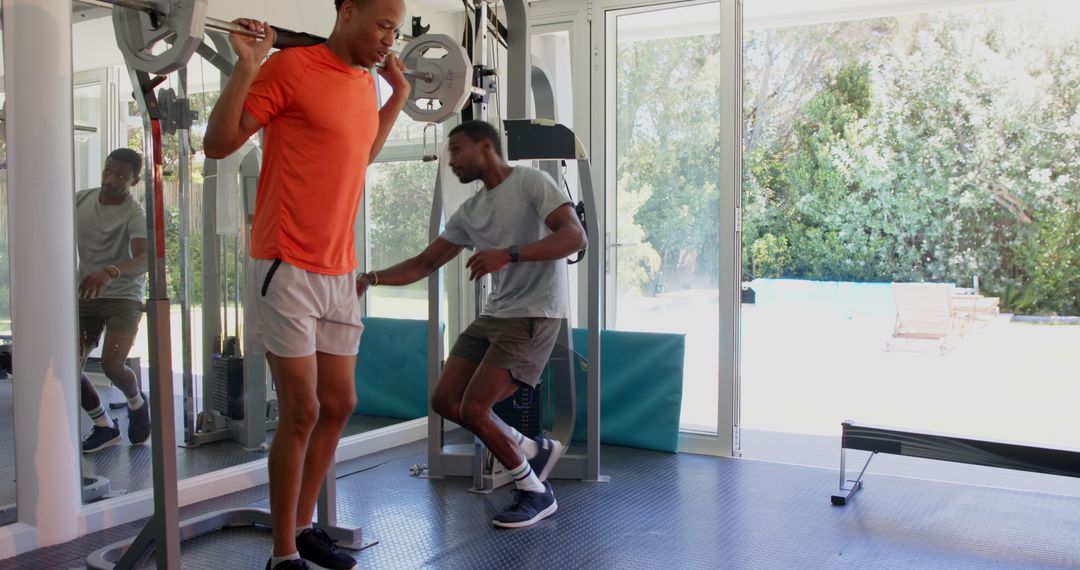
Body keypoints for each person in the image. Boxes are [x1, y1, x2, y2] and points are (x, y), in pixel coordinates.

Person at [203, 1, 410, 568]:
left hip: (340, 267)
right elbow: (217, 144)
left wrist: (398, 97)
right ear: (347, 12)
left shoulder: (364, 84)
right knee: (301, 409)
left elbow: (359, 156)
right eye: (384, 25)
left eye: (395, 29)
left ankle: (301, 525)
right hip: (286, 261)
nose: (389, 39)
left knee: (339, 403)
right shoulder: (291, 68)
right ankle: (282, 554)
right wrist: (246, 66)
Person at [357, 120, 588, 529]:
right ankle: (531, 448)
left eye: (457, 150)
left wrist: (510, 254)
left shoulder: (532, 183)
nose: (452, 160)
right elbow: (423, 263)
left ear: (486, 147)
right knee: (445, 401)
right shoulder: (471, 211)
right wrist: (370, 278)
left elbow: (575, 238)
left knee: (475, 407)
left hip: (534, 313)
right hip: (496, 314)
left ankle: (535, 490)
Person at [76, 148, 151, 454]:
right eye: (109, 171)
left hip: (122, 295)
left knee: (111, 364)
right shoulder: (81, 200)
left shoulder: (134, 213)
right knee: (70, 366)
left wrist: (110, 272)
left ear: (133, 181)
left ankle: (135, 401)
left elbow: (145, 259)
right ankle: (104, 426)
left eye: (121, 176)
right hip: (86, 293)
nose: (111, 179)